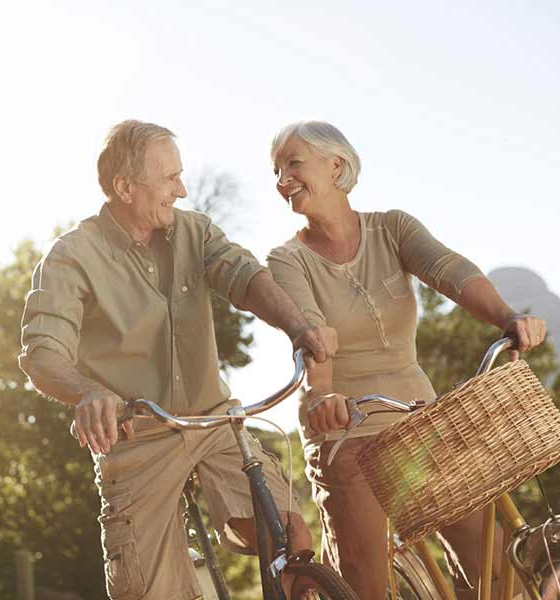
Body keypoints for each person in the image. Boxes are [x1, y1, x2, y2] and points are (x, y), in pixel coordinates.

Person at [18, 119, 337, 600]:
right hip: (138, 440)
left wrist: (298, 326)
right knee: (153, 593)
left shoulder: (194, 232)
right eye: (170, 178)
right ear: (125, 188)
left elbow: (244, 276)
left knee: (289, 534)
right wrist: (89, 392)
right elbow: (43, 350)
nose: (182, 190)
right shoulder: (72, 257)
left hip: (213, 421)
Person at [265, 120, 547, 600]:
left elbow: (449, 270)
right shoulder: (286, 260)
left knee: (493, 563)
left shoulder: (392, 228)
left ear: (336, 165)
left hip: (418, 420)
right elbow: (311, 333)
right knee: (365, 580)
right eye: (275, 170)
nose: (282, 179)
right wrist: (322, 395)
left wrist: (507, 317)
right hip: (345, 429)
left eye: (293, 163)